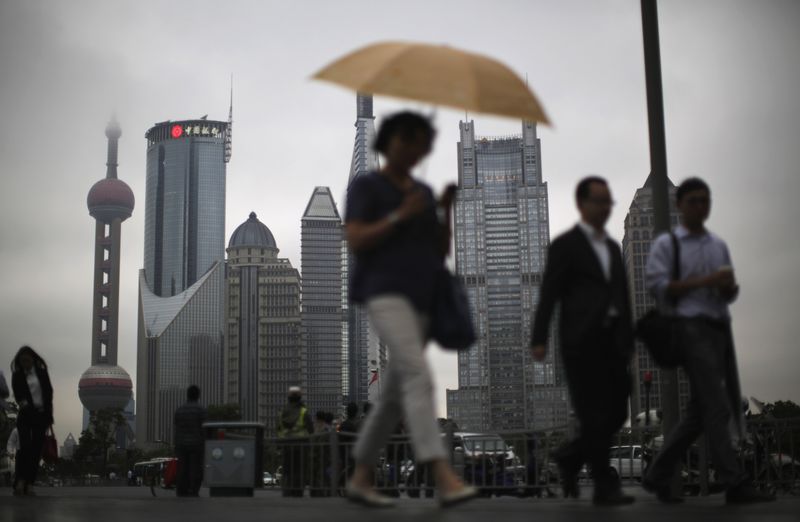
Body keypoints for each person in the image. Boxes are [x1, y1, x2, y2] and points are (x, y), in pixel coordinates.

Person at [344, 111, 476, 509]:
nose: (415, 149)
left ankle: (361, 476)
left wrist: (445, 209)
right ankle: (442, 473)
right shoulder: (368, 186)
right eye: (408, 140)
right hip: (383, 293)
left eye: (421, 142)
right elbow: (356, 237)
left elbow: (438, 250)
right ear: (388, 141)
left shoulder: (421, 189)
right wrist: (400, 214)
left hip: (420, 300)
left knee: (392, 399)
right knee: (419, 377)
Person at [642, 177, 775, 505]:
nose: (700, 207)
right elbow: (657, 285)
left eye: (705, 200)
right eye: (694, 201)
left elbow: (726, 289)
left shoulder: (717, 245)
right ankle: (734, 481)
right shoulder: (668, 245)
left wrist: (728, 288)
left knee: (700, 411)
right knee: (717, 405)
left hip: (719, 327)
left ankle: (658, 472)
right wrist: (705, 281)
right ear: (680, 205)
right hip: (688, 327)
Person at [530, 177, 635, 506]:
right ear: (582, 205)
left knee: (618, 408)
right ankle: (604, 485)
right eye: (599, 201)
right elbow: (549, 293)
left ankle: (570, 456)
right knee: (591, 413)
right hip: (580, 341)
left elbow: (622, 294)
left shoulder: (614, 248)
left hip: (613, 341)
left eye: (608, 202)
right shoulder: (566, 246)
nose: (605, 208)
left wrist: (628, 336)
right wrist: (539, 336)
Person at [10, 346, 54, 497]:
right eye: (22, 361)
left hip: (41, 416)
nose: (25, 363)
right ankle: (20, 480)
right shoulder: (17, 376)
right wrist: (28, 409)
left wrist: (48, 416)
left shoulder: (42, 373)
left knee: (36, 451)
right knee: (24, 448)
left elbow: (49, 393)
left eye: (27, 360)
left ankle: (29, 483)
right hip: (25, 416)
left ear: (33, 359)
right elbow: (19, 397)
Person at [276, 386, 313, 497]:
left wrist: (279, 445)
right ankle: (298, 491)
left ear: (288, 398)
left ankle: (287, 491)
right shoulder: (303, 412)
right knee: (299, 470)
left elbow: (278, 429)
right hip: (301, 446)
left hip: (286, 445)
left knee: (287, 470)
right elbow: (311, 429)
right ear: (300, 398)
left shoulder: (282, 412)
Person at [173, 384, 207, 497]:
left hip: (181, 444)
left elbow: (176, 428)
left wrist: (176, 444)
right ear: (198, 395)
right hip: (196, 444)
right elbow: (205, 429)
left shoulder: (179, 410)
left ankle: (181, 490)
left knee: (182, 468)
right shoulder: (201, 410)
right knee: (196, 468)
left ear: (187, 395)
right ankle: (194, 490)